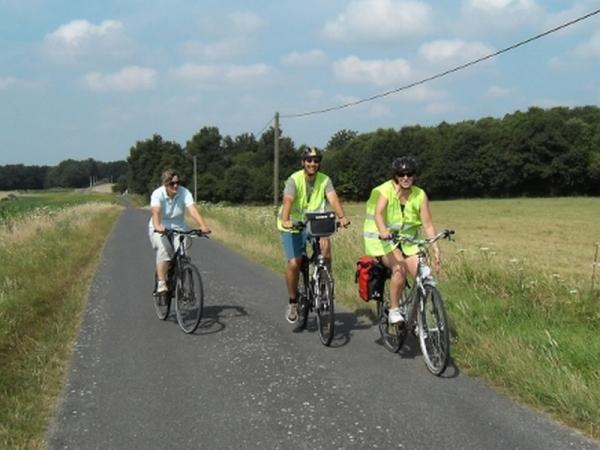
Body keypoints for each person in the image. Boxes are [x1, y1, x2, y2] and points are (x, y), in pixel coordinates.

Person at [362, 156, 441, 324]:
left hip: (408, 242)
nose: (406, 177)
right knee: (400, 268)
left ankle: (420, 319)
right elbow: (377, 214)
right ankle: (394, 309)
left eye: (410, 174)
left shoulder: (420, 194)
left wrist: (435, 248)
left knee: (423, 276)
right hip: (382, 240)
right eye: (401, 174)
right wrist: (383, 231)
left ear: (414, 175)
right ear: (395, 176)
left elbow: (427, 224)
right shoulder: (386, 190)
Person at [277, 147, 350, 323]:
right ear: (303, 162)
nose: (312, 164)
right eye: (309, 161)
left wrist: (342, 217)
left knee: (325, 247)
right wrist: (286, 219)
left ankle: (324, 282)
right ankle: (293, 301)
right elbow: (288, 200)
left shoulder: (325, 180)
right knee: (294, 263)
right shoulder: (294, 179)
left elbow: (332, 198)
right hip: (293, 224)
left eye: (316, 161)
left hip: (315, 222)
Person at [148, 169, 211, 293]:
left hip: (179, 227)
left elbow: (192, 210)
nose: (176, 185)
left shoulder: (184, 192)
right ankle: (161, 282)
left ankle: (180, 284)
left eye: (178, 182)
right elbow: (155, 211)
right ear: (165, 184)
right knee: (164, 250)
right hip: (160, 226)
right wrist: (157, 226)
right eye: (172, 183)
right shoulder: (157, 194)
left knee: (183, 255)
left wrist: (203, 225)